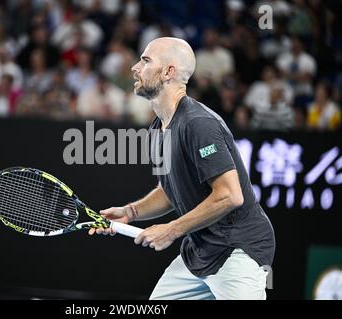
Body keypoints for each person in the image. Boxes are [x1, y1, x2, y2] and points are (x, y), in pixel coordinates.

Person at [89, 37, 275, 300]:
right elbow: (170, 190)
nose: (134, 67)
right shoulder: (158, 128)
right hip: (198, 252)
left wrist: (171, 229)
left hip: (237, 251)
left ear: (168, 72)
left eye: (145, 60)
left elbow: (230, 195)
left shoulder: (199, 124)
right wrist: (130, 212)